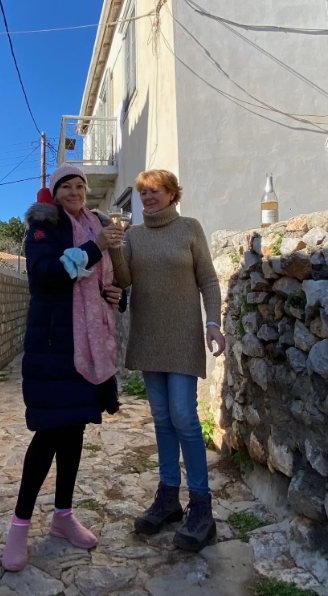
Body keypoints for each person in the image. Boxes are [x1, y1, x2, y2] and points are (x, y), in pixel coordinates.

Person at [1, 164, 126, 572]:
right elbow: (45, 275)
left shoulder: (94, 223)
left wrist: (115, 295)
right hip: (55, 344)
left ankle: (63, 516)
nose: (75, 192)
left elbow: (104, 281)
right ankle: (19, 526)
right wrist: (96, 247)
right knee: (48, 436)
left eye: (80, 186)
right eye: (66, 186)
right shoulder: (45, 226)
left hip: (88, 344)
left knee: (74, 432)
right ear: (55, 193)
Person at [111, 169, 225, 552]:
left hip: (182, 337)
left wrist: (213, 323)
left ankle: (202, 508)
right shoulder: (134, 236)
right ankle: (168, 498)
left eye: (155, 191)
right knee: (161, 418)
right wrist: (114, 247)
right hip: (148, 336)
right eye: (143, 192)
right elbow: (124, 280)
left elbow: (208, 279)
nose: (147, 197)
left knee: (184, 417)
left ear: (173, 194)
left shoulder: (189, 228)